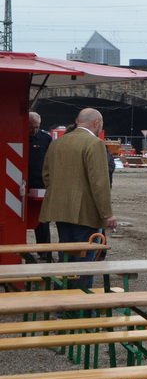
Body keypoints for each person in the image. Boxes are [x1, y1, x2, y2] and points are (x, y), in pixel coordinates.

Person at [39, 108, 117, 289]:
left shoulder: (57, 143)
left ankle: (61, 301)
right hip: (85, 213)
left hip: (60, 210)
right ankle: (80, 304)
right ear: (97, 123)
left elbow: (47, 176)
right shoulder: (94, 144)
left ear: (77, 120)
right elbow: (99, 183)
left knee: (66, 256)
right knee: (83, 261)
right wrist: (107, 214)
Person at [27, 112, 53, 261]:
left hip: (40, 184)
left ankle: (44, 251)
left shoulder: (46, 139)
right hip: (19, 185)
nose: (34, 130)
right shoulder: (17, 135)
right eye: (31, 127)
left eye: (36, 127)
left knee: (42, 220)